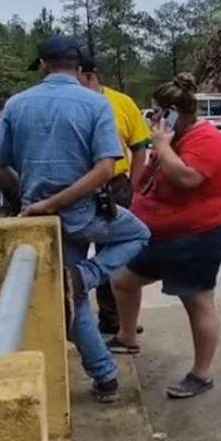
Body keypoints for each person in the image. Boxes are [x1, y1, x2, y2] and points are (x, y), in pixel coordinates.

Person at [0, 36, 151, 403]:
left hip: (39, 218)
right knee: (138, 234)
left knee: (71, 298)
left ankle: (106, 376)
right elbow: (106, 167)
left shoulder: (17, 104)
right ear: (79, 68)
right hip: (84, 212)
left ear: (43, 65)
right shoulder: (95, 103)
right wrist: (58, 202)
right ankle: (88, 279)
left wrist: (30, 200)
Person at [112, 73, 221, 400]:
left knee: (196, 300)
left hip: (197, 235)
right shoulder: (171, 138)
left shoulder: (205, 140)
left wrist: (162, 146)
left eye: (158, 113)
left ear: (173, 113)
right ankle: (127, 337)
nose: (153, 120)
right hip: (158, 235)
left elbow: (187, 177)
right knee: (123, 280)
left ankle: (202, 373)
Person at [76, 57, 152, 351]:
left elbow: (140, 147)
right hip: (82, 187)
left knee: (117, 252)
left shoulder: (122, 103)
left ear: (91, 75)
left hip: (117, 185)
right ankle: (100, 317)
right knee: (82, 250)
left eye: (77, 75)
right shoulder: (74, 104)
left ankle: (119, 319)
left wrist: (133, 185)